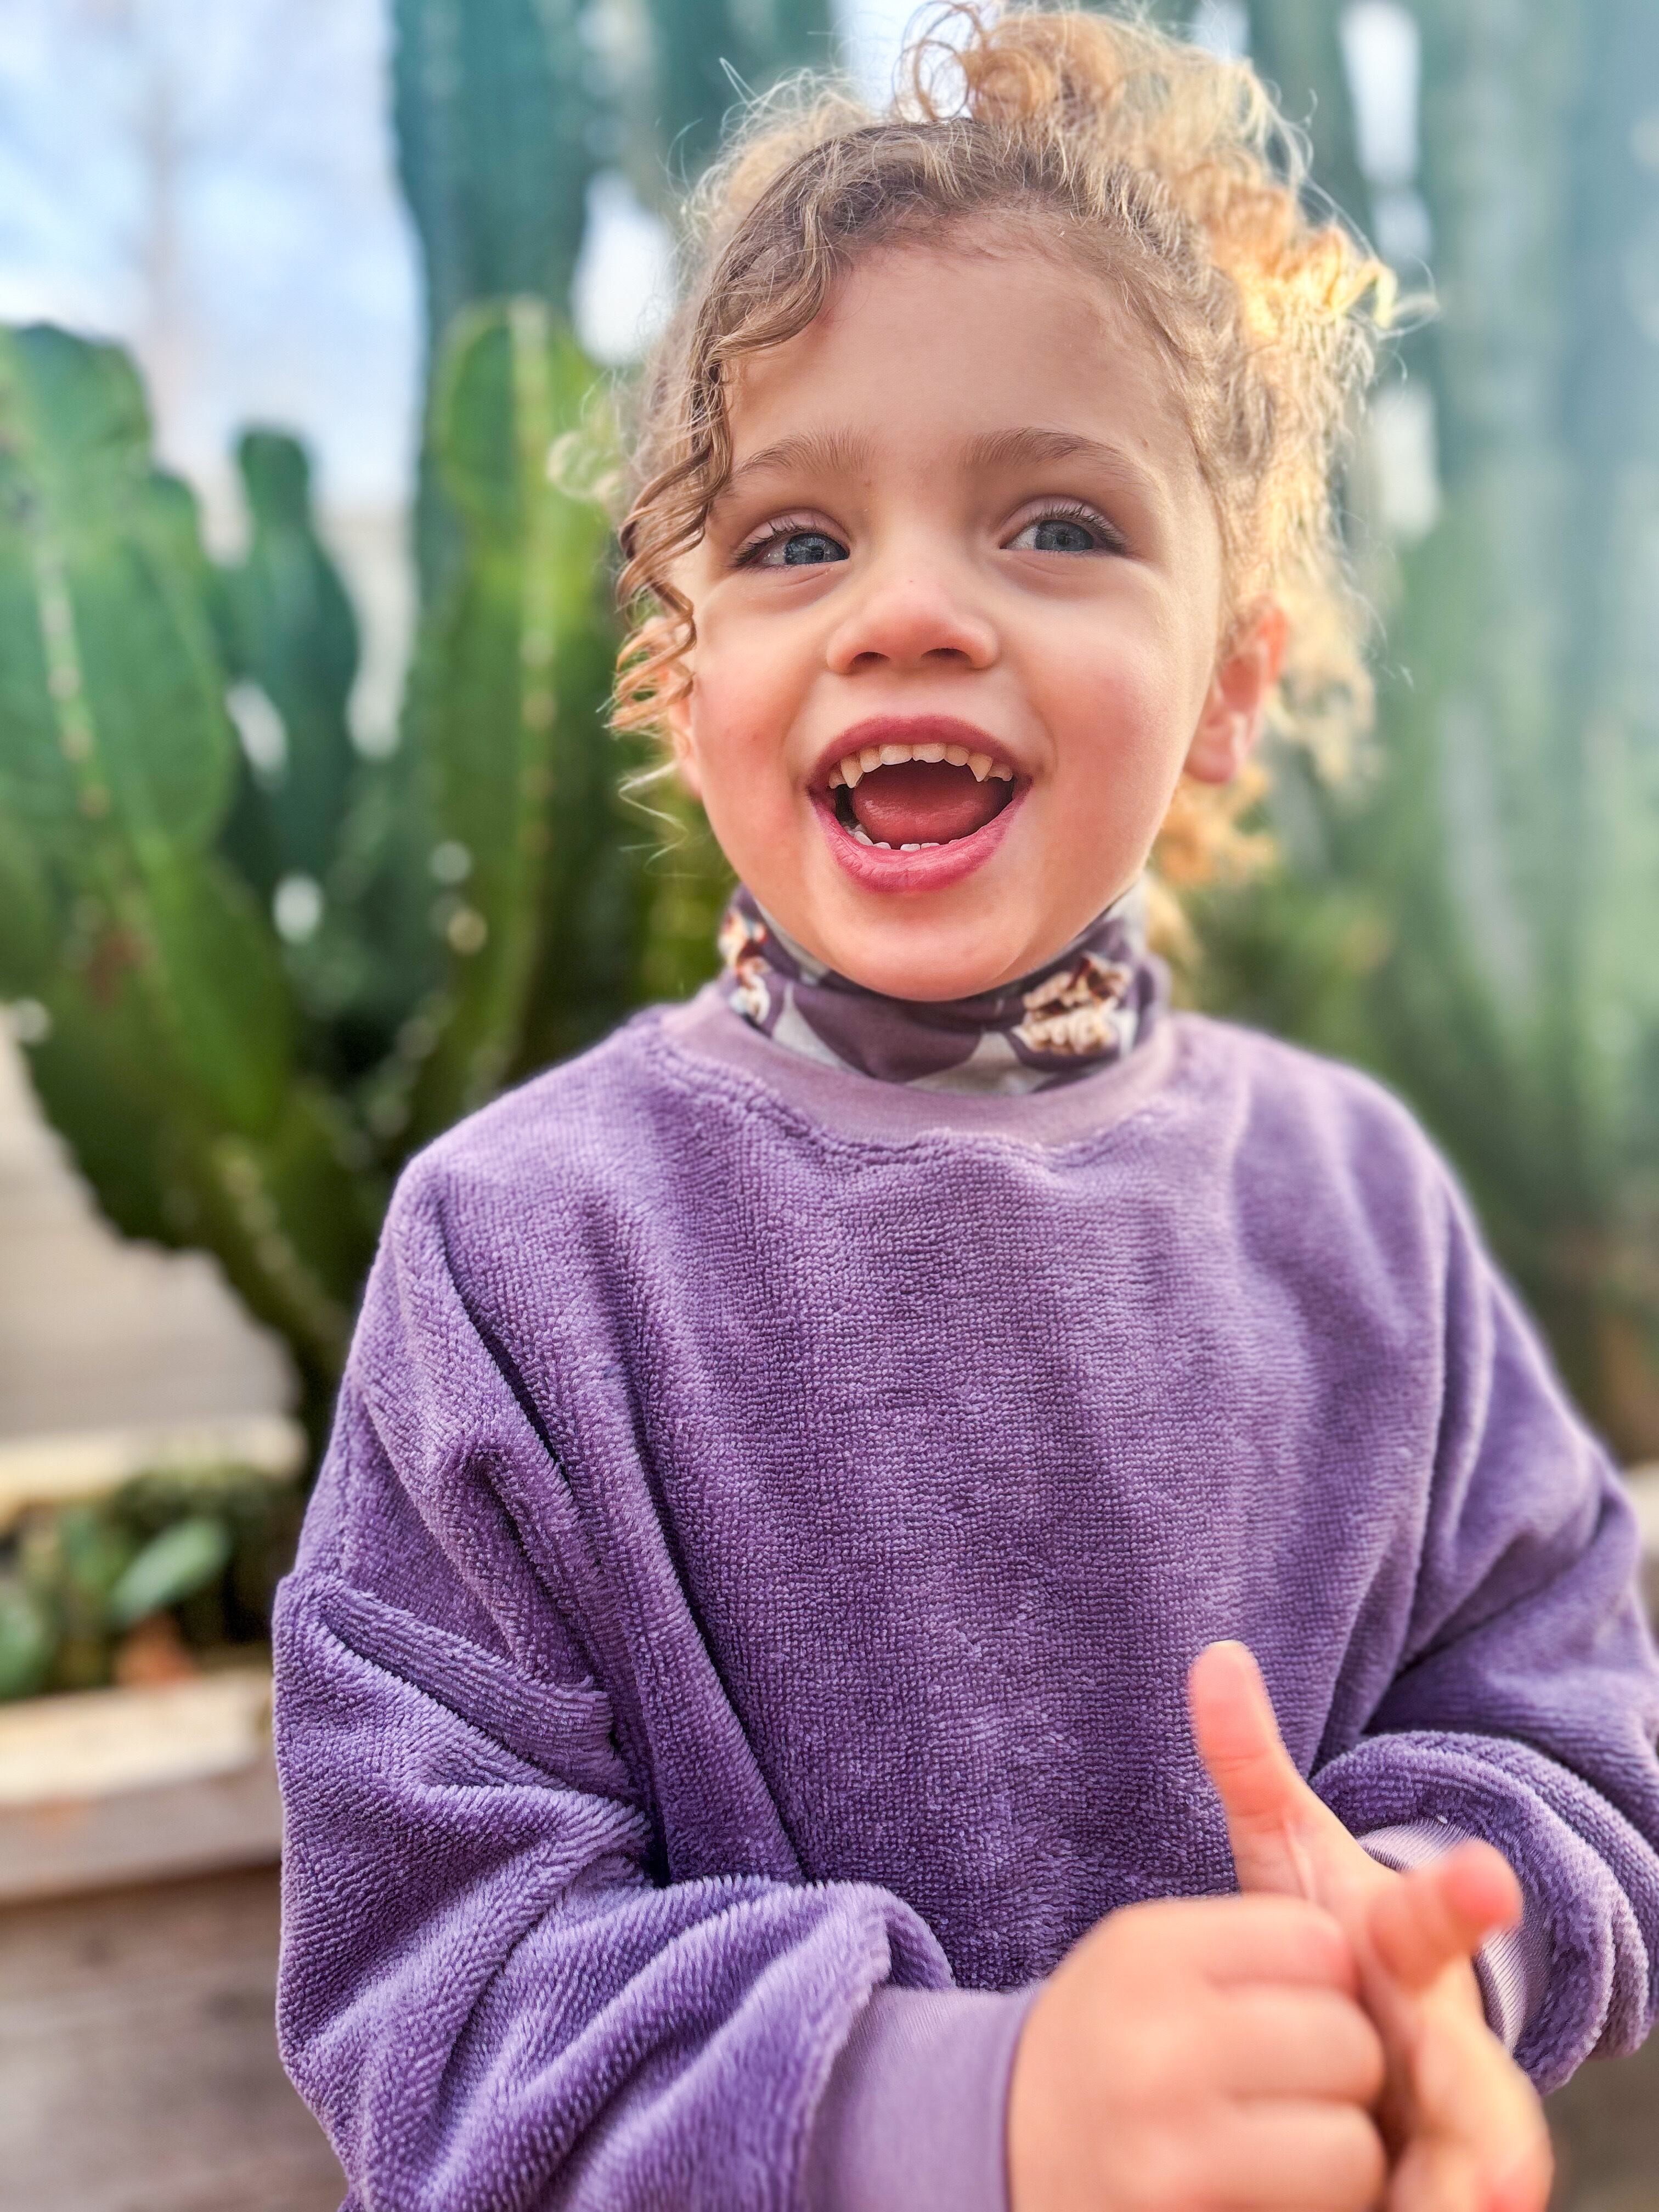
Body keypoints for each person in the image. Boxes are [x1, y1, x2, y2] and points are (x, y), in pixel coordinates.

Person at [270, 10, 1659, 2210]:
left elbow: (1567, 1713)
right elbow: (437, 1985)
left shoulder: (1360, 1205)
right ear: (683, 678)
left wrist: (1411, 1962)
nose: (910, 609)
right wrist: (966, 2106)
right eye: (793, 540)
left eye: (1057, 521)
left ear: (1229, 685)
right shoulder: (520, 1251)